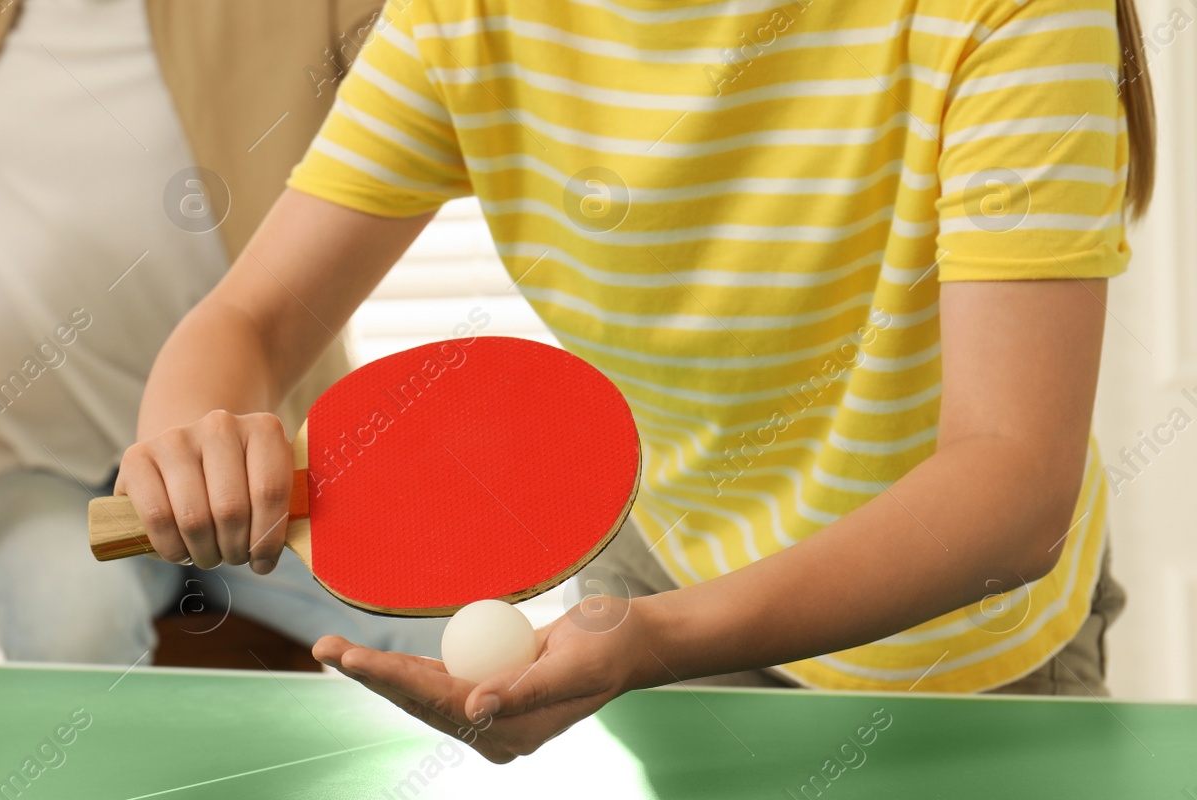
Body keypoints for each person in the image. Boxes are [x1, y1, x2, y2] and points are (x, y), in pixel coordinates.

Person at [112, 0, 1153, 761]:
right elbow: (251, 319)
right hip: (668, 584)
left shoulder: (1011, 11)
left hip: (958, 659)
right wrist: (192, 439)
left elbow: (1013, 485)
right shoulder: (463, 18)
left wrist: (657, 638)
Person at [0, 0, 447, 664]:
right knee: (72, 638)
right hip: (44, 471)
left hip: (265, 452)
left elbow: (438, 46)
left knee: (459, 625)